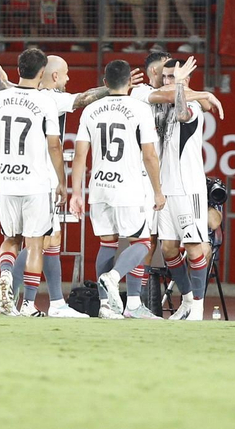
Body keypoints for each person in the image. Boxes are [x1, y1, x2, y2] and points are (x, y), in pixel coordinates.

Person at [68, 59, 164, 319]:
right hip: (128, 186)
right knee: (141, 242)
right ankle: (120, 286)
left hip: (99, 186)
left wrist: (76, 193)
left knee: (107, 243)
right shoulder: (140, 109)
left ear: (105, 82)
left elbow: (80, 155)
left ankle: (106, 305)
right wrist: (157, 190)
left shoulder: (90, 110)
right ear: (130, 82)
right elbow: (150, 155)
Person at [0, 46, 65, 316]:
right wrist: (62, 181)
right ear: (42, 72)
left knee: (11, 238)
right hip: (35, 183)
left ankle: (5, 273)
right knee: (34, 243)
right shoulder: (46, 102)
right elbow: (54, 146)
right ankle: (29, 304)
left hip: (7, 179)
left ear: (19, 69)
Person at [153, 54, 215, 320]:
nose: (167, 81)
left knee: (193, 247)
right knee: (168, 248)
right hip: (166, 189)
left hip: (189, 188)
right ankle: (188, 300)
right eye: (166, 77)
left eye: (173, 77)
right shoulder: (161, 105)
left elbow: (182, 113)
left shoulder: (194, 108)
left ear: (185, 80)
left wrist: (181, 86)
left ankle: (198, 307)